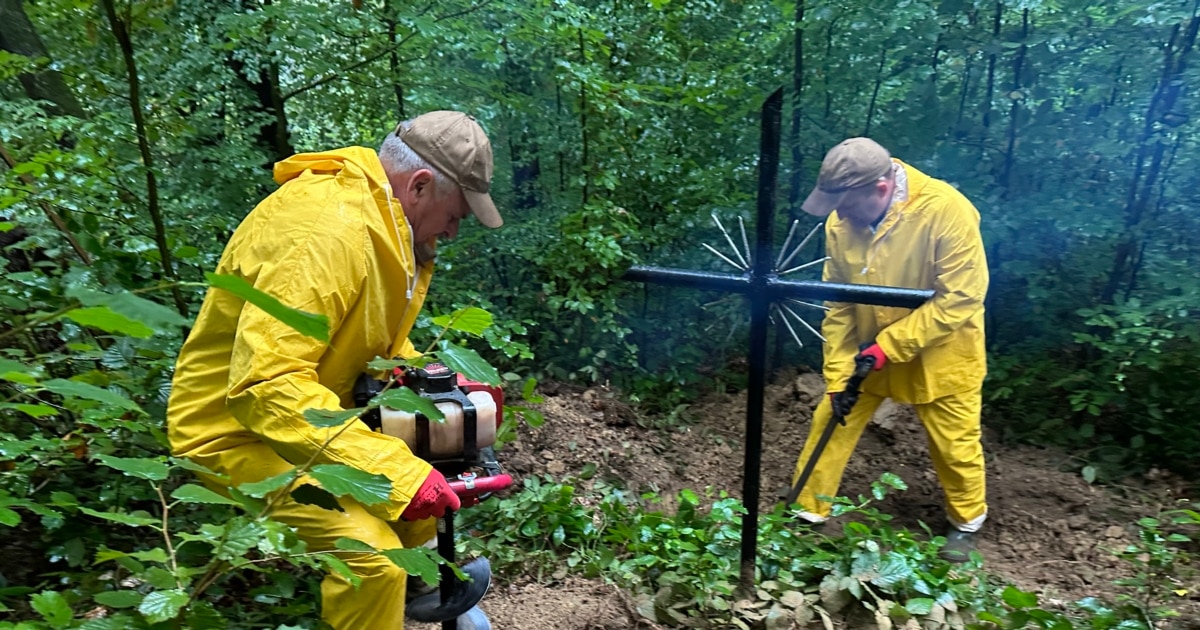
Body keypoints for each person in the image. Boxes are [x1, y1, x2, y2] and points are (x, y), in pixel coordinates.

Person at [166, 111, 503, 628]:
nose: (453, 230)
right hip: (237, 434)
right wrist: (395, 472)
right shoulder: (323, 232)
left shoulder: (380, 225)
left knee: (421, 513)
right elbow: (266, 385)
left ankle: (424, 590)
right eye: (455, 214)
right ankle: (395, 589)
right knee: (374, 558)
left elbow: (361, 335)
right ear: (418, 185)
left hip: (304, 422)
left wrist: (421, 373)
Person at [791, 137, 989, 563]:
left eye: (845, 203)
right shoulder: (841, 224)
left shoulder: (946, 211)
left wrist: (889, 345)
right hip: (869, 353)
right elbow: (839, 301)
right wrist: (838, 374)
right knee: (832, 418)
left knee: (955, 445)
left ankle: (966, 523)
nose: (839, 213)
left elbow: (961, 297)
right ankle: (807, 511)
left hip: (942, 353)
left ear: (880, 189)